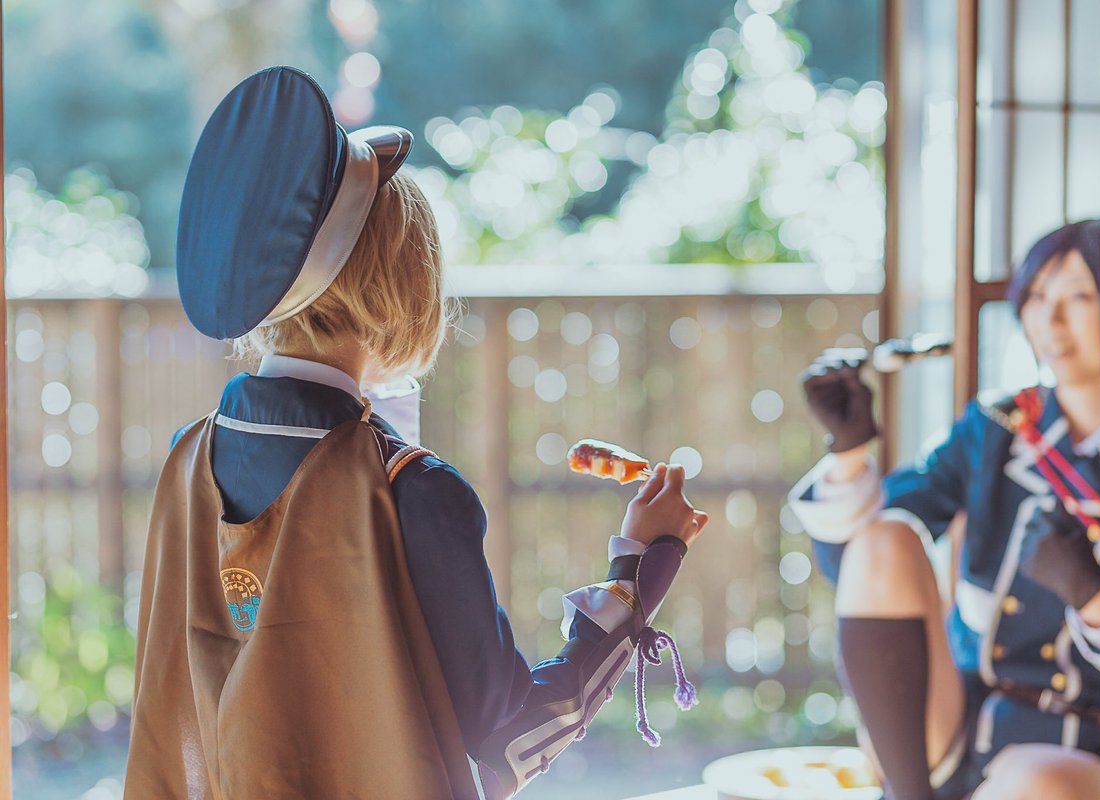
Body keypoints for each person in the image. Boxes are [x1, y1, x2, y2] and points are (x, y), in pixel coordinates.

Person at [125, 66, 709, 800]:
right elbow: (512, 736)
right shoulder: (415, 491)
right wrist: (638, 570)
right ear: (404, 282)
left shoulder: (187, 458)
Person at [788, 219, 1100, 800]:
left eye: (1079, 297)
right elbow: (855, 566)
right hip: (947, 731)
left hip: (1084, 750)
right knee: (884, 537)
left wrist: (1094, 597)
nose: (1049, 319)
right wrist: (850, 453)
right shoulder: (994, 430)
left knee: (1039, 784)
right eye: (1037, 296)